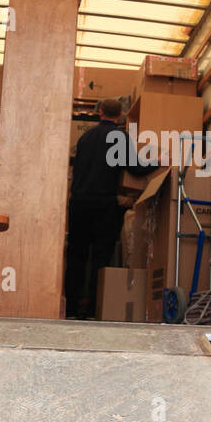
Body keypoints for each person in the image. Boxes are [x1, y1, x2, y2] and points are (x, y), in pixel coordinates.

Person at [64, 97, 132, 318]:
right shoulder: (120, 137)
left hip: (79, 204)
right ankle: (94, 309)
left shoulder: (85, 138)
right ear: (120, 116)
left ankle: (71, 308)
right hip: (104, 205)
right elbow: (135, 168)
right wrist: (157, 160)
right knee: (100, 259)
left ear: (99, 112)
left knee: (76, 257)